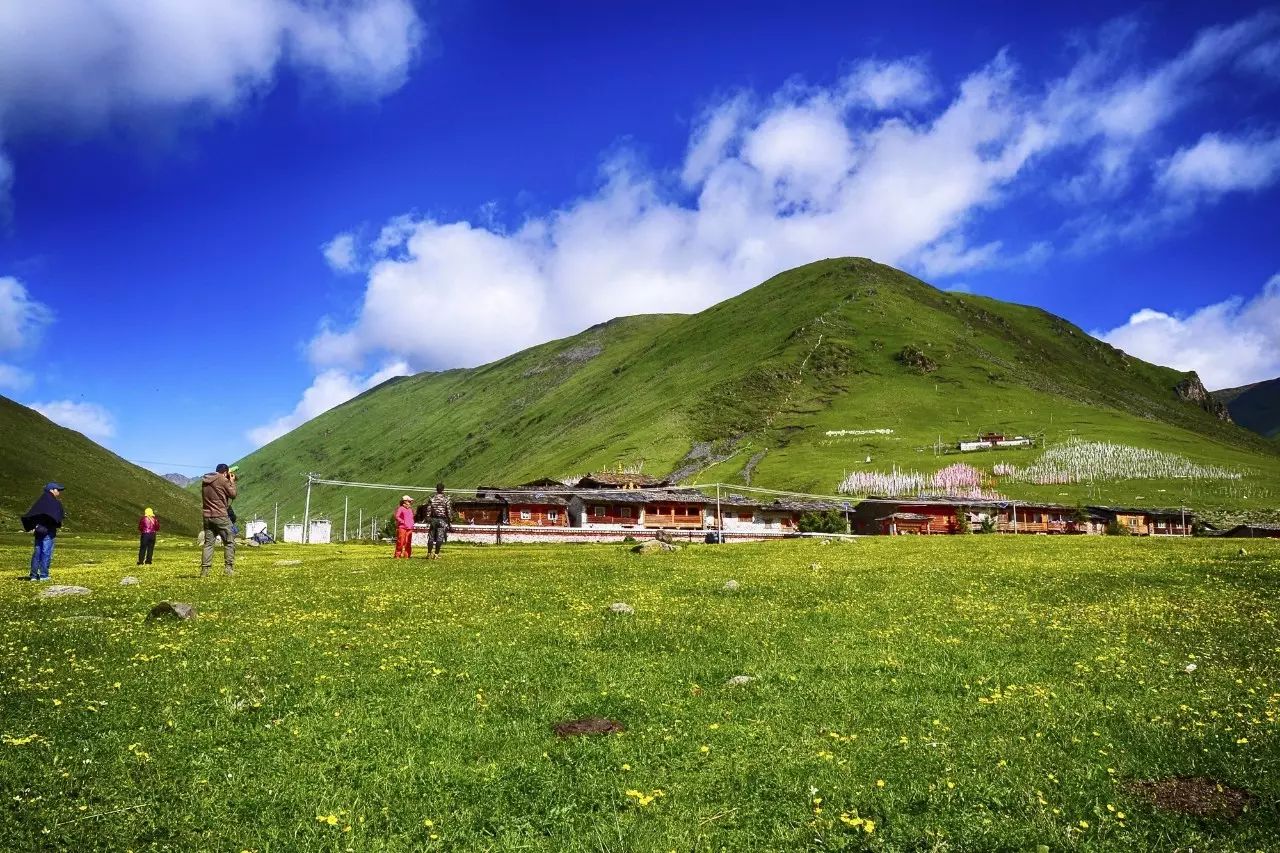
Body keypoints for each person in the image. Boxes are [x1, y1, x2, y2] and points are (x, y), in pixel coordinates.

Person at [22, 482, 64, 581]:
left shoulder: (40, 501)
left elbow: (32, 514)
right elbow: (57, 517)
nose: (59, 492)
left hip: (38, 531)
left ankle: (33, 575)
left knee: (37, 552)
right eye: (57, 490)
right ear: (51, 490)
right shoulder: (54, 502)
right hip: (48, 531)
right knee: (46, 552)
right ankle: (44, 575)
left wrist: (33, 526)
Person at [201, 464, 237, 577]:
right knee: (229, 541)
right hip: (221, 516)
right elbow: (233, 494)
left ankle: (205, 571)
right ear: (225, 472)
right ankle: (228, 568)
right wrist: (231, 481)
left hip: (207, 517)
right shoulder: (222, 479)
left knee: (208, 544)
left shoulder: (205, 480)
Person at [425, 482, 452, 559]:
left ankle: (429, 553)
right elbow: (448, 511)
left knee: (431, 537)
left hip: (433, 519)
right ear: (443, 489)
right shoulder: (446, 499)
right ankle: (436, 554)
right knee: (440, 537)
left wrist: (428, 518)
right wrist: (450, 521)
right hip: (442, 520)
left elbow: (428, 510)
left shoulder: (432, 499)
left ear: (436, 489)